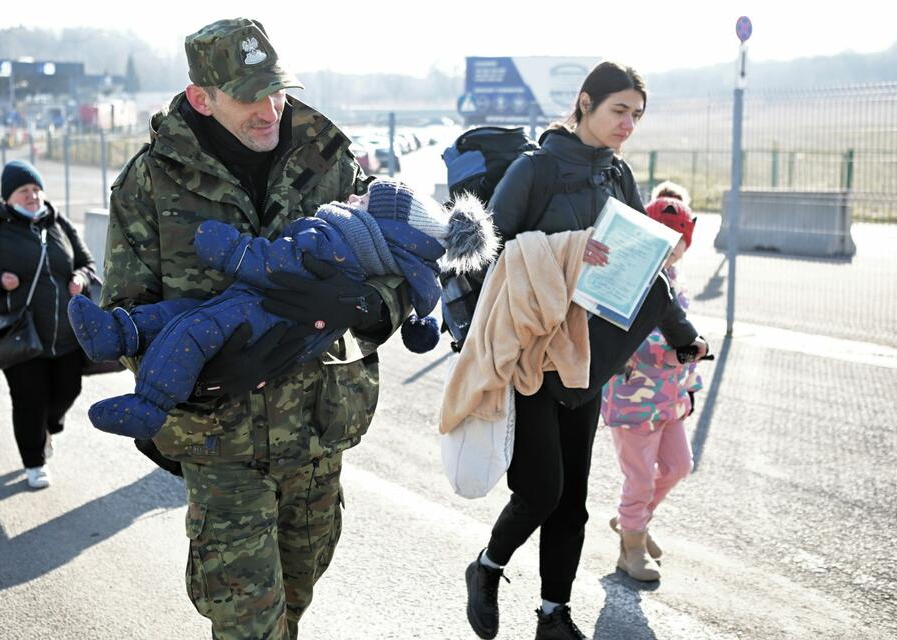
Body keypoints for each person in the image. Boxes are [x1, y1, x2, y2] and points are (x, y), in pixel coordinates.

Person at [101, 18, 415, 639]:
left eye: (275, 89)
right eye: (249, 95)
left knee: (299, 589)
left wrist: (367, 309)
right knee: (247, 620)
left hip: (319, 428)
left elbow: (395, 263)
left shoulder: (329, 158)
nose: (270, 108)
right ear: (202, 99)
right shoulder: (149, 181)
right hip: (220, 441)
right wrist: (204, 376)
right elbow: (129, 309)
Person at [462, 62, 709, 640]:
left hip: (590, 357)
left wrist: (680, 333)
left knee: (572, 499)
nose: (628, 124)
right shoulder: (535, 169)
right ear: (586, 103)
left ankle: (554, 614)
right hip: (532, 354)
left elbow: (641, 263)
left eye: (637, 115)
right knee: (541, 490)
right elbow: (489, 255)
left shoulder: (617, 176)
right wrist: (568, 250)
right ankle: (488, 566)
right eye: (619, 110)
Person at [70, 180, 494, 439]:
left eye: (363, 199)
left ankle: (149, 405)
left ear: (376, 226)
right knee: (180, 313)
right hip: (220, 412)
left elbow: (274, 264)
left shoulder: (334, 239)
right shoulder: (360, 239)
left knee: (191, 327)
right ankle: (117, 333)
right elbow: (421, 290)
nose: (352, 194)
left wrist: (231, 251)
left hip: (263, 327)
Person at [0, 160, 97, 490]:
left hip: (65, 333)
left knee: (68, 390)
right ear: (7, 198)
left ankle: (48, 427)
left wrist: (79, 277)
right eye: (23, 191)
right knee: (28, 398)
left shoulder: (59, 223)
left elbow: (87, 263)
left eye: (35, 189)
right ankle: (34, 462)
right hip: (18, 334)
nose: (32, 196)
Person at [601, 182, 706, 582]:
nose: (672, 247)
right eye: (666, 237)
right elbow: (622, 336)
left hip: (669, 397)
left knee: (679, 466)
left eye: (680, 240)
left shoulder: (674, 280)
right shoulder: (630, 278)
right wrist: (672, 352)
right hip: (633, 398)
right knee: (640, 476)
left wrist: (688, 379)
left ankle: (634, 519)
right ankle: (631, 547)